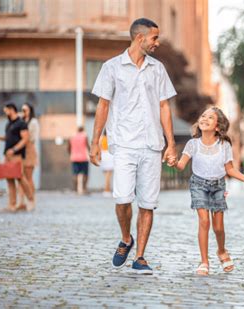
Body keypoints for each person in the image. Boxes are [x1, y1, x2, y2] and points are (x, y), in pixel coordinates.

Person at [89, 18, 177, 275]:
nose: (157, 43)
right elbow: (103, 105)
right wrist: (95, 142)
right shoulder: (111, 68)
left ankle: (140, 256)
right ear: (140, 38)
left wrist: (171, 144)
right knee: (123, 198)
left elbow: (164, 106)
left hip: (151, 144)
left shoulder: (157, 69)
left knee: (147, 204)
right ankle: (126, 238)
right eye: (154, 38)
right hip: (124, 144)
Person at [174, 107, 244, 276]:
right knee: (204, 221)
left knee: (219, 227)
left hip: (218, 186)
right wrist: (173, 162)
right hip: (198, 184)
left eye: (210, 117)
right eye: (203, 116)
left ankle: (221, 251)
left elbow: (230, 170)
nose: (205, 119)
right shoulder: (193, 144)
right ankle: (204, 261)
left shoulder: (224, 145)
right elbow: (181, 165)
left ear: (218, 126)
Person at [1, 103, 35, 212]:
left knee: (20, 178)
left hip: (16, 155)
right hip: (7, 155)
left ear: (11, 110)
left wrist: (14, 149)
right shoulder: (8, 124)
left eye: (6, 111)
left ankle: (30, 199)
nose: (5, 113)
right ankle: (12, 204)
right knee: (9, 179)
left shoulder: (21, 123)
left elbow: (25, 139)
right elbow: (8, 138)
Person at [18, 103, 39, 210]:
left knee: (28, 177)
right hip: (20, 152)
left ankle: (31, 200)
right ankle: (21, 202)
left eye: (25, 109)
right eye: (22, 109)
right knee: (20, 177)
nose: (24, 111)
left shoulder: (33, 122)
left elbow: (32, 138)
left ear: (30, 110)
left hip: (29, 151)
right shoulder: (21, 122)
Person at [68, 127, 90, 194]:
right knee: (85, 174)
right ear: (83, 130)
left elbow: (68, 147)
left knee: (75, 174)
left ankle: (75, 189)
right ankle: (84, 189)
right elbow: (88, 146)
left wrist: (71, 154)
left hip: (74, 158)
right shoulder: (85, 136)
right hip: (84, 158)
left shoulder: (72, 137)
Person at [100, 130, 114, 197]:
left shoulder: (101, 138)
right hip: (109, 155)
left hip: (103, 155)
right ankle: (107, 190)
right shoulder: (110, 138)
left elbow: (99, 147)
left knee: (106, 175)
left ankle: (106, 189)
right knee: (109, 175)